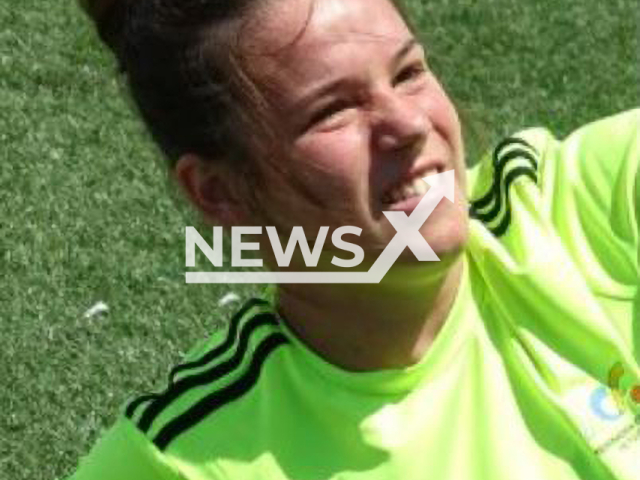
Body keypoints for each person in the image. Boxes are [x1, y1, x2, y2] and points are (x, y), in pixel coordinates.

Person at [70, 0, 639, 478]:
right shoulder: (186, 461)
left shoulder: (595, 206)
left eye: (408, 73)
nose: (411, 125)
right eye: (334, 111)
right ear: (219, 192)